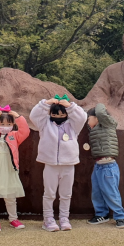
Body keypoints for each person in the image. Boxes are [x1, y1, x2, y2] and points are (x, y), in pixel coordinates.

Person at [29, 94, 87, 232]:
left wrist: (70, 105)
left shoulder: (73, 125)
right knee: (49, 194)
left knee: (66, 194)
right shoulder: (44, 124)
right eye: (56, 114)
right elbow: (34, 115)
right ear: (50, 114)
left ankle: (64, 219)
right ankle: (48, 220)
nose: (59, 117)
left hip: (69, 165)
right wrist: (46, 103)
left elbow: (82, 116)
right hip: (50, 165)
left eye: (62, 115)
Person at [85, 103, 124, 228]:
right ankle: (101, 214)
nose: (87, 121)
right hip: (98, 165)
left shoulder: (108, 124)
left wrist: (98, 104)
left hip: (108, 165)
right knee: (96, 193)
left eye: (89, 118)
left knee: (111, 192)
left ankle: (119, 217)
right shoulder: (94, 130)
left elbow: (102, 113)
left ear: (97, 117)